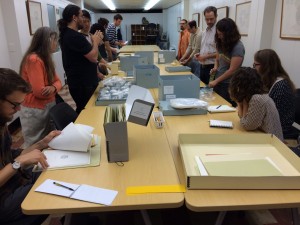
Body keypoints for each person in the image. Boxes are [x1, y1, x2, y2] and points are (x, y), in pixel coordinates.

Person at [0, 68, 60, 225]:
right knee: (52, 191)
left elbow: (11, 155)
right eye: (15, 105)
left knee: (56, 174)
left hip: (13, 181)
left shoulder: (1, 121)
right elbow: (16, 161)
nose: (19, 110)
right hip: (3, 198)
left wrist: (41, 144)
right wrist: (18, 162)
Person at [19, 27, 62, 148]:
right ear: (47, 41)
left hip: (46, 107)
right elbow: (40, 92)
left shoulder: (45, 58)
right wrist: (54, 87)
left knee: (47, 140)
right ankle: (33, 167)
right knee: (35, 143)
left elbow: (58, 82)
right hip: (35, 110)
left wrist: (53, 88)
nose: (56, 43)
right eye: (54, 40)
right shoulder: (34, 60)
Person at [57, 4, 103, 114]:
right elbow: (93, 57)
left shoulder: (68, 34)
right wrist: (95, 42)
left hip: (81, 82)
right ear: (74, 18)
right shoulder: (74, 36)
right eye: (81, 16)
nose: (83, 20)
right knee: (86, 110)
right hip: (82, 84)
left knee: (84, 108)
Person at [229, 67, 283, 141]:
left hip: (272, 143)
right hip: (264, 137)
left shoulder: (257, 99)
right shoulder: (253, 97)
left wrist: (239, 103)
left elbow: (247, 125)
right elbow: (243, 119)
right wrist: (241, 102)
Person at [254, 49, 295, 139]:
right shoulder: (268, 80)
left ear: (265, 66)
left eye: (255, 65)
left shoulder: (281, 85)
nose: (254, 68)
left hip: (279, 130)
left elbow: (273, 116)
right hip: (269, 125)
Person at [209, 18, 245, 106]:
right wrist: (215, 68)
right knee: (215, 104)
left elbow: (232, 70)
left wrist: (216, 81)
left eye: (221, 34)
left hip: (228, 84)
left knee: (224, 107)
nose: (219, 37)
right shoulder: (220, 42)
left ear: (229, 34)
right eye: (218, 34)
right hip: (218, 81)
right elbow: (217, 59)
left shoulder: (238, 47)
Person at [80, 10, 106, 79]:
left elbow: (97, 55)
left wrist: (106, 64)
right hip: (86, 74)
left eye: (88, 21)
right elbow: (91, 58)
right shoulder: (80, 38)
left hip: (94, 71)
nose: (87, 24)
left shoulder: (91, 36)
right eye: (84, 22)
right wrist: (97, 72)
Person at [195, 6, 217, 85]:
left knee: (211, 94)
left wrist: (205, 56)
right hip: (202, 67)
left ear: (216, 17)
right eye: (207, 19)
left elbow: (221, 53)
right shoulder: (204, 32)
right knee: (203, 91)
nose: (209, 21)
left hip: (212, 68)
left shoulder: (218, 32)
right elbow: (205, 48)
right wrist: (200, 54)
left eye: (211, 19)